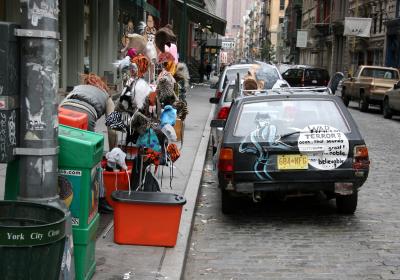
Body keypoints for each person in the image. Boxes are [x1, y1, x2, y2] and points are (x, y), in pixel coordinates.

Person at [60, 73, 117, 213]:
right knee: (94, 159)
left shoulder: (76, 88)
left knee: (62, 156)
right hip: (84, 118)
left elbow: (62, 105)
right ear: (103, 86)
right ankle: (101, 199)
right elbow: (113, 130)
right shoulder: (107, 97)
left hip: (62, 115)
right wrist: (113, 152)